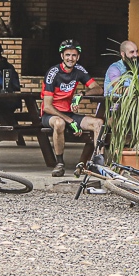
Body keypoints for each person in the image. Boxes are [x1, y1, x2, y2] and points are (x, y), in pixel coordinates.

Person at [41, 39, 103, 177]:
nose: (71, 58)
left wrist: (82, 94)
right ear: (62, 56)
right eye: (67, 55)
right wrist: (70, 121)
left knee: (98, 123)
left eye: (74, 55)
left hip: (69, 113)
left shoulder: (79, 70)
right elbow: (47, 107)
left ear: (78, 57)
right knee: (59, 123)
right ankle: (59, 164)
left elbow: (98, 89)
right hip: (51, 115)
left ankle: (99, 163)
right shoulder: (53, 73)